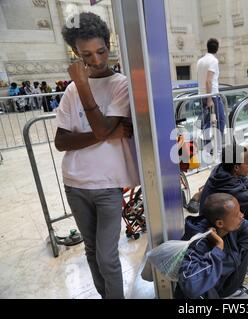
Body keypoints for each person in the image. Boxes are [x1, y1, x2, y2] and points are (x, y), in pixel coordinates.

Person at [55, 12, 140, 299]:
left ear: (108, 44)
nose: (96, 61)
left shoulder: (121, 84)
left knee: (107, 256)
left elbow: (102, 127)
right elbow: (61, 142)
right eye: (86, 55)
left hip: (107, 185)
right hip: (75, 182)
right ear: (76, 54)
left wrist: (82, 86)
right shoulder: (70, 91)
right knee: (91, 251)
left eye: (101, 51)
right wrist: (104, 134)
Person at [197, 38, 226, 160]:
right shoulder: (213, 61)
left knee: (207, 124)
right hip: (212, 96)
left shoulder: (200, 61)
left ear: (207, 47)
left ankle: (208, 151)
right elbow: (208, 80)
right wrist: (210, 99)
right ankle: (218, 151)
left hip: (202, 95)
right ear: (217, 48)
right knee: (221, 121)